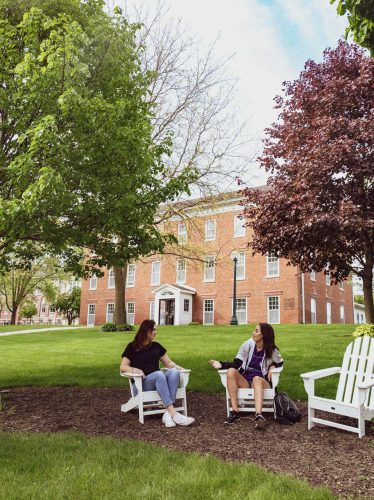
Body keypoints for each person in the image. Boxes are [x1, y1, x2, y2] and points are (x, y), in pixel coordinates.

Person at [120, 319, 195, 427]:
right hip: (140, 384)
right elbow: (123, 367)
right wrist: (133, 370)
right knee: (159, 374)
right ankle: (174, 414)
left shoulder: (156, 346)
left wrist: (178, 368)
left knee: (174, 372)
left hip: (159, 383)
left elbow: (168, 362)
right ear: (146, 330)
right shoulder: (132, 347)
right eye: (153, 329)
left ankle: (167, 413)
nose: (156, 332)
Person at [209, 323, 283, 429]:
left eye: (256, 331)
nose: (253, 333)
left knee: (256, 379)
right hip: (246, 382)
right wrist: (221, 364)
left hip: (262, 383)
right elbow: (237, 363)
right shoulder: (248, 344)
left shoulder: (272, 350)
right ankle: (235, 412)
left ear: (264, 335)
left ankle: (258, 415)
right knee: (231, 371)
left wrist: (273, 366)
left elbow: (280, 362)